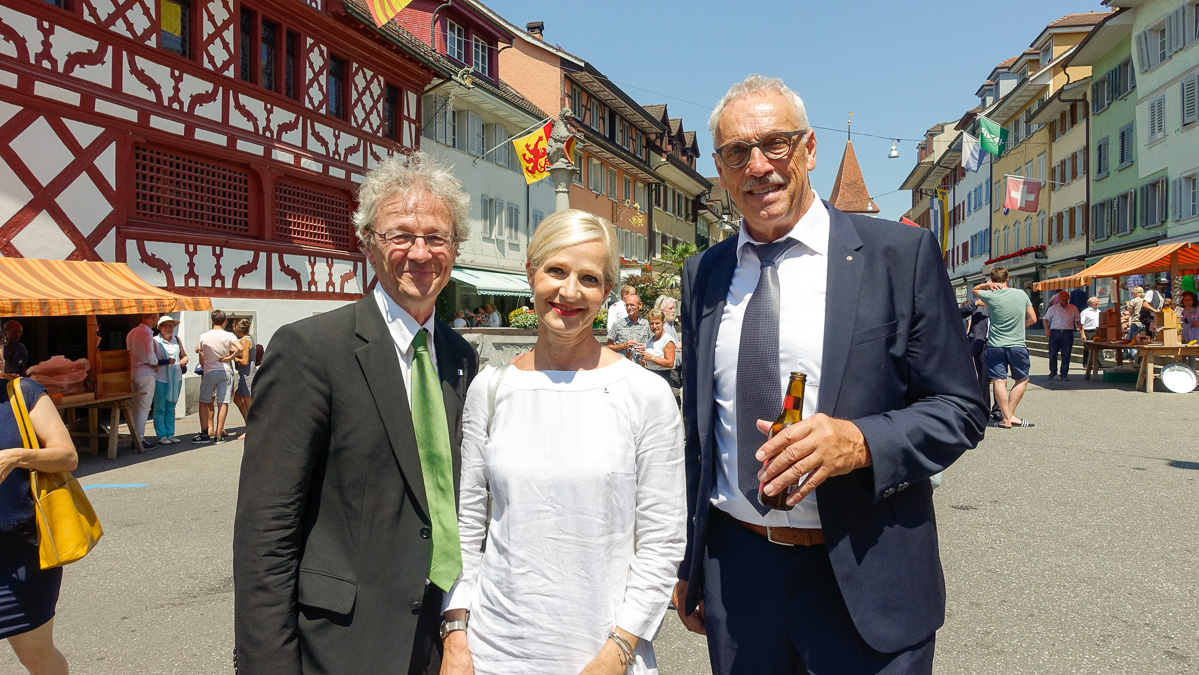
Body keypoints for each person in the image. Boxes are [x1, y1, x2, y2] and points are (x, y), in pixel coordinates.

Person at [675, 75, 985, 674]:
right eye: (737, 153)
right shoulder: (704, 274)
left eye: (775, 144)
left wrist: (862, 442)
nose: (758, 166)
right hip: (741, 576)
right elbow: (701, 432)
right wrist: (694, 561)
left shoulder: (899, 255)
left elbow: (961, 408)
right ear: (719, 169)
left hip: (865, 569)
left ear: (810, 149)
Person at [234, 151, 478, 674]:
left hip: (440, 640)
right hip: (342, 645)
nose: (420, 252)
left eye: (437, 237)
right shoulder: (310, 350)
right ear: (367, 242)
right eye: (400, 235)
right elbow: (266, 531)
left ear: (454, 249)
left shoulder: (460, 358)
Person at [442, 209, 684, 675]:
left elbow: (662, 541)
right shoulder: (491, 389)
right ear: (530, 271)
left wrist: (617, 651)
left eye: (589, 278)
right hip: (495, 652)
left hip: (606, 654)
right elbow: (467, 525)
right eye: (556, 270)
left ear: (607, 291)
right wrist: (455, 634)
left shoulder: (645, 394)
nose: (569, 292)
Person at [0, 377, 77, 675]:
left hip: (21, 554)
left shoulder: (22, 393)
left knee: (36, 656)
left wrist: (19, 457)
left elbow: (67, 456)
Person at [974, 267, 1037, 428]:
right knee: (1022, 379)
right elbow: (1033, 318)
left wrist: (988, 286)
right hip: (1017, 344)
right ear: (1007, 278)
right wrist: (1020, 326)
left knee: (998, 380)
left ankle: (1006, 419)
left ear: (992, 279)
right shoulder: (1021, 294)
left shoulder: (990, 295)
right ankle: (1010, 415)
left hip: (995, 345)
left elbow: (975, 289)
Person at [192, 310, 239, 444]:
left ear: (212, 321)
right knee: (223, 402)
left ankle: (205, 433)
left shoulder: (205, 336)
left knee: (204, 401)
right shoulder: (229, 335)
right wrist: (231, 357)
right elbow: (240, 347)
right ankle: (219, 435)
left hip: (210, 371)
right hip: (225, 370)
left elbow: (197, 348)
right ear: (225, 322)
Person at [151, 315, 187, 444]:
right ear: (160, 327)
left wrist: (184, 359)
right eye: (167, 325)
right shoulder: (154, 341)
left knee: (171, 406)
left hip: (176, 377)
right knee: (160, 406)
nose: (170, 328)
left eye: (172, 326)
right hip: (161, 377)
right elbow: (151, 360)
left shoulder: (176, 340)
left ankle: (170, 433)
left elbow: (183, 355)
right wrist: (165, 362)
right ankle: (162, 434)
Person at [962, 295, 999, 421]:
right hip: (981, 344)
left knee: (999, 378)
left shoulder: (1000, 302)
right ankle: (985, 408)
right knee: (983, 379)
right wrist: (974, 304)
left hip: (998, 343)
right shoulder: (977, 303)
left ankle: (998, 410)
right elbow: (958, 313)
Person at [125, 313, 159, 448]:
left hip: (132, 371)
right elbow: (149, 353)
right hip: (145, 371)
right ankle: (139, 439)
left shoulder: (132, 332)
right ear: (154, 319)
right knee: (144, 407)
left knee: (134, 407)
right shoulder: (147, 333)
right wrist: (155, 363)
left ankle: (135, 436)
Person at [1042, 290, 1085, 381]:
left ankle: (1064, 374)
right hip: (1055, 332)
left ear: (1069, 298)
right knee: (1053, 353)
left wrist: (1080, 328)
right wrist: (1047, 330)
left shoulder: (1073, 308)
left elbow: (1078, 320)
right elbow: (1045, 319)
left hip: (1067, 333)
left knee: (1066, 354)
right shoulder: (1052, 308)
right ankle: (1053, 371)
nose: (1064, 300)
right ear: (1059, 298)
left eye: (1066, 298)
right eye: (1062, 298)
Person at [230, 318, 255, 439]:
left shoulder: (245, 341)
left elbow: (244, 361)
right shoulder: (246, 339)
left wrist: (234, 359)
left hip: (247, 373)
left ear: (236, 328)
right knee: (237, 399)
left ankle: (253, 429)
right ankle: (248, 425)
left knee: (249, 402)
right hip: (243, 374)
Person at [606, 293, 651, 360]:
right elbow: (608, 347)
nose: (629, 308)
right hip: (623, 365)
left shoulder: (647, 324)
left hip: (641, 365)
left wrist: (646, 346)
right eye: (627, 305)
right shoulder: (617, 324)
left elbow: (655, 345)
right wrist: (623, 345)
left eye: (632, 305)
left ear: (640, 305)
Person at [642, 309, 678, 384]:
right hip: (650, 375)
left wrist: (651, 358)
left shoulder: (667, 340)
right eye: (651, 323)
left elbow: (670, 363)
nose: (654, 326)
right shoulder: (650, 339)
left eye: (657, 323)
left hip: (663, 376)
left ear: (663, 323)